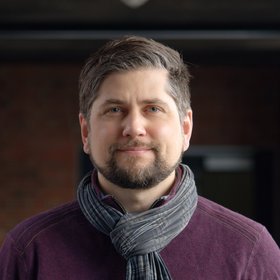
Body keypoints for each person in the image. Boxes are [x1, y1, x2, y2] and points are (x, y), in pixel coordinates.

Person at [0, 36, 279, 280]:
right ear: (86, 131)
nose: (134, 128)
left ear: (185, 128)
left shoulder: (249, 250)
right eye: (114, 110)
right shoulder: (30, 250)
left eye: (153, 109)